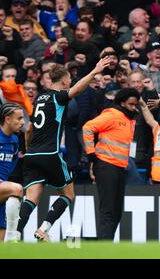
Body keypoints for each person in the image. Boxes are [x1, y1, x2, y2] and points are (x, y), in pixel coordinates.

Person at [13, 58, 111, 242]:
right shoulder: (58, 97)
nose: (70, 83)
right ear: (65, 81)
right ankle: (43, 230)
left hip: (32, 155)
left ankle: (15, 235)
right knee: (68, 194)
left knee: (31, 198)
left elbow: (29, 129)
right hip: (50, 154)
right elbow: (78, 90)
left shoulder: (41, 98)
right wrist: (94, 72)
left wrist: (28, 149)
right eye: (69, 80)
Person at [82, 88, 140, 240]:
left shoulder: (129, 119)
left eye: (135, 105)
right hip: (106, 166)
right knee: (108, 211)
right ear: (122, 103)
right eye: (131, 104)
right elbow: (87, 127)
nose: (134, 107)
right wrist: (91, 155)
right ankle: (104, 248)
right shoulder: (112, 115)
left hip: (119, 168)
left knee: (116, 212)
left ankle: (105, 244)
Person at [0, 103, 24, 242]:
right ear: (7, 119)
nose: (22, 122)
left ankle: (8, 236)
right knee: (17, 189)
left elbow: (12, 162)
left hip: (2, 189)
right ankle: (12, 235)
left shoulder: (15, 140)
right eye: (19, 118)